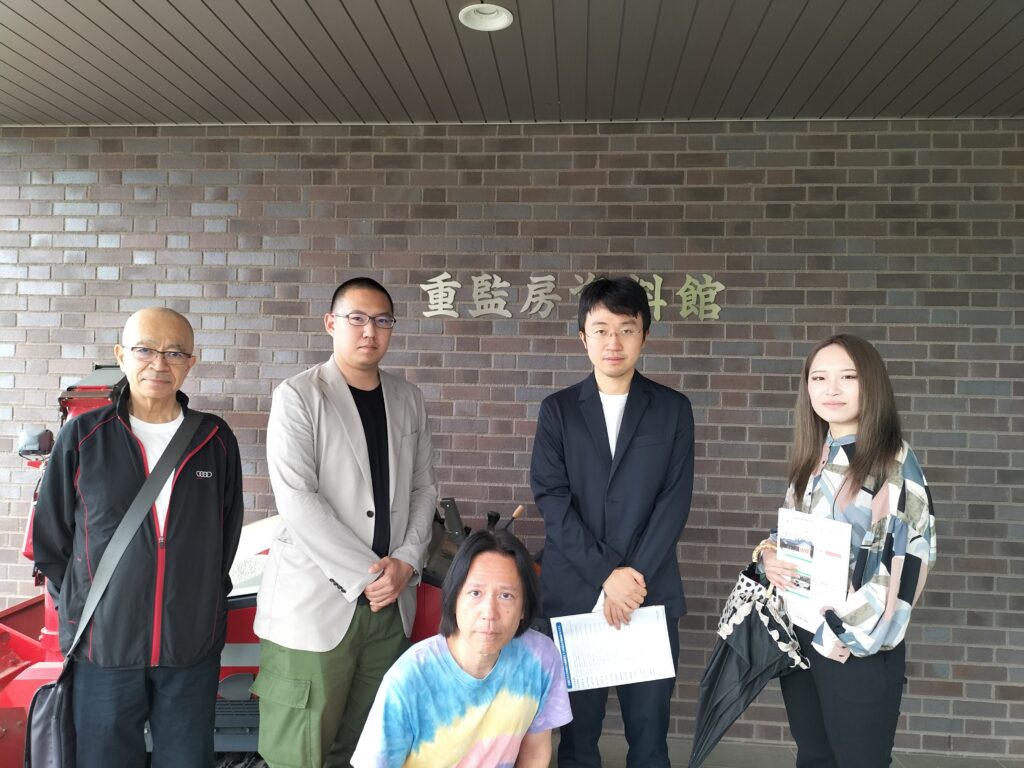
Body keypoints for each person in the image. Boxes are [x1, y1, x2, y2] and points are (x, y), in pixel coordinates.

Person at [32, 307, 244, 768]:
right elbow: (52, 543)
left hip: (190, 648)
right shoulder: (84, 436)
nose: (159, 363)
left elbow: (224, 539)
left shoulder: (214, 439)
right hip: (103, 648)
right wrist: (87, 612)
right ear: (121, 355)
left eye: (174, 353)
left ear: (191, 362)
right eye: (145, 350)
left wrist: (203, 604)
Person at [252, 277, 438, 768]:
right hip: (317, 603)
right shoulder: (299, 395)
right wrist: (370, 574)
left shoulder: (408, 398)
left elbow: (424, 489)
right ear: (331, 323)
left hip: (389, 606)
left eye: (382, 320)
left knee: (368, 747)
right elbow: (297, 499)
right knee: (299, 752)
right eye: (356, 318)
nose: (369, 331)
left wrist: (406, 561)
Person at [530, 276, 695, 767]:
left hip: (648, 594)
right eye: (601, 330)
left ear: (645, 335)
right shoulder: (558, 411)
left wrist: (631, 579)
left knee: (650, 740)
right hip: (576, 595)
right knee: (577, 741)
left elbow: (673, 502)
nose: (613, 342)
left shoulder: (672, 409)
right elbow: (552, 500)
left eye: (626, 329)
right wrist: (607, 574)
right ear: (583, 337)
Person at [756, 334, 937, 768]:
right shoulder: (817, 455)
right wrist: (768, 555)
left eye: (847, 377)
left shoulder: (891, 462)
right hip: (803, 635)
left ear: (871, 384)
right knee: (814, 756)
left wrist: (837, 633)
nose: (831, 389)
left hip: (856, 646)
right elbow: (790, 531)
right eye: (819, 378)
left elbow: (905, 560)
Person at [351, 528, 572, 768]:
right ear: (454, 599)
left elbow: (535, 752)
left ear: (524, 608)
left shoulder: (541, 658)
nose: (489, 613)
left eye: (506, 596)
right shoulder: (409, 679)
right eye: (475, 593)